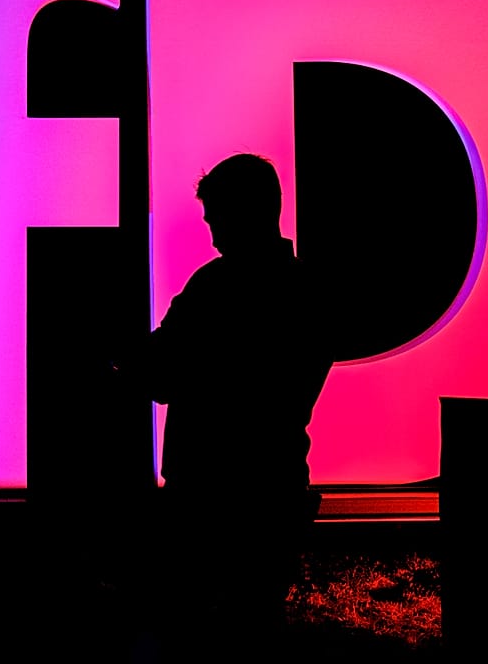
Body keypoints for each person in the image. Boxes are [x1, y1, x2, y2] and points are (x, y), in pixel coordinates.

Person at [125, 152, 334, 649]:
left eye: (217, 217)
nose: (213, 233)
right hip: (275, 487)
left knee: (189, 630)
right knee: (255, 629)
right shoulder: (307, 292)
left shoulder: (214, 288)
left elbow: (161, 373)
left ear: (241, 213)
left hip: (204, 494)